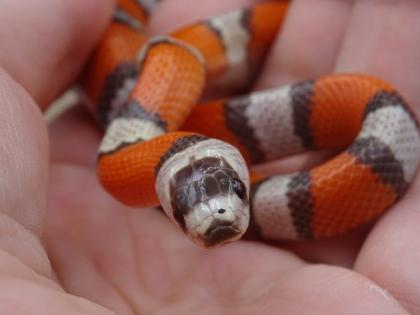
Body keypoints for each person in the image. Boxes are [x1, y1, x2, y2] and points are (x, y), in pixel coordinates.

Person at [1, 0, 419, 313]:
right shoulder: (121, 170)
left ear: (236, 165)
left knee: (381, 111)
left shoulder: (130, 157)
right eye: (184, 210)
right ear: (161, 199)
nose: (219, 215)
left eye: (238, 191)